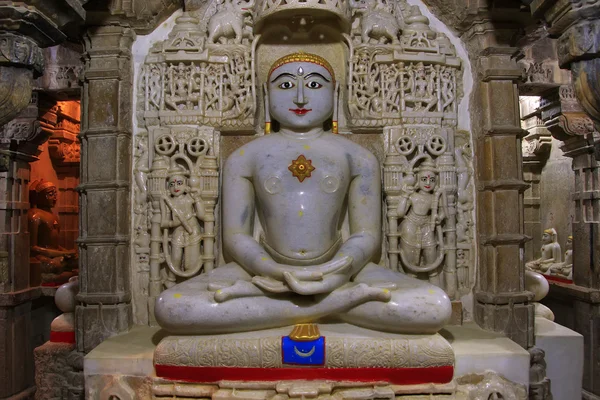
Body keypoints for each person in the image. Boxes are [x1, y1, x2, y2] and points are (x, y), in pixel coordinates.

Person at [155, 52, 451, 334]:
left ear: (334, 94)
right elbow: (236, 237)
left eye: (313, 84)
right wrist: (270, 270)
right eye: (285, 85)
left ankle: (289, 305)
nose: (299, 97)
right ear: (265, 93)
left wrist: (341, 269)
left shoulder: (357, 157)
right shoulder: (246, 157)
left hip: (341, 268)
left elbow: (367, 236)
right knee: (171, 308)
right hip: (261, 271)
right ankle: (338, 304)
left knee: (434, 307)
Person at [28, 179, 77, 285]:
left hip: (55, 254)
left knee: (79, 259)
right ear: (40, 197)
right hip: (40, 256)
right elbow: (33, 247)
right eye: (50, 194)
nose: (55, 198)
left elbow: (54, 245)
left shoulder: (53, 216)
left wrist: (67, 252)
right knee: (53, 265)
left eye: (55, 194)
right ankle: (51, 277)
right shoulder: (34, 215)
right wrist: (64, 253)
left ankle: (60, 275)